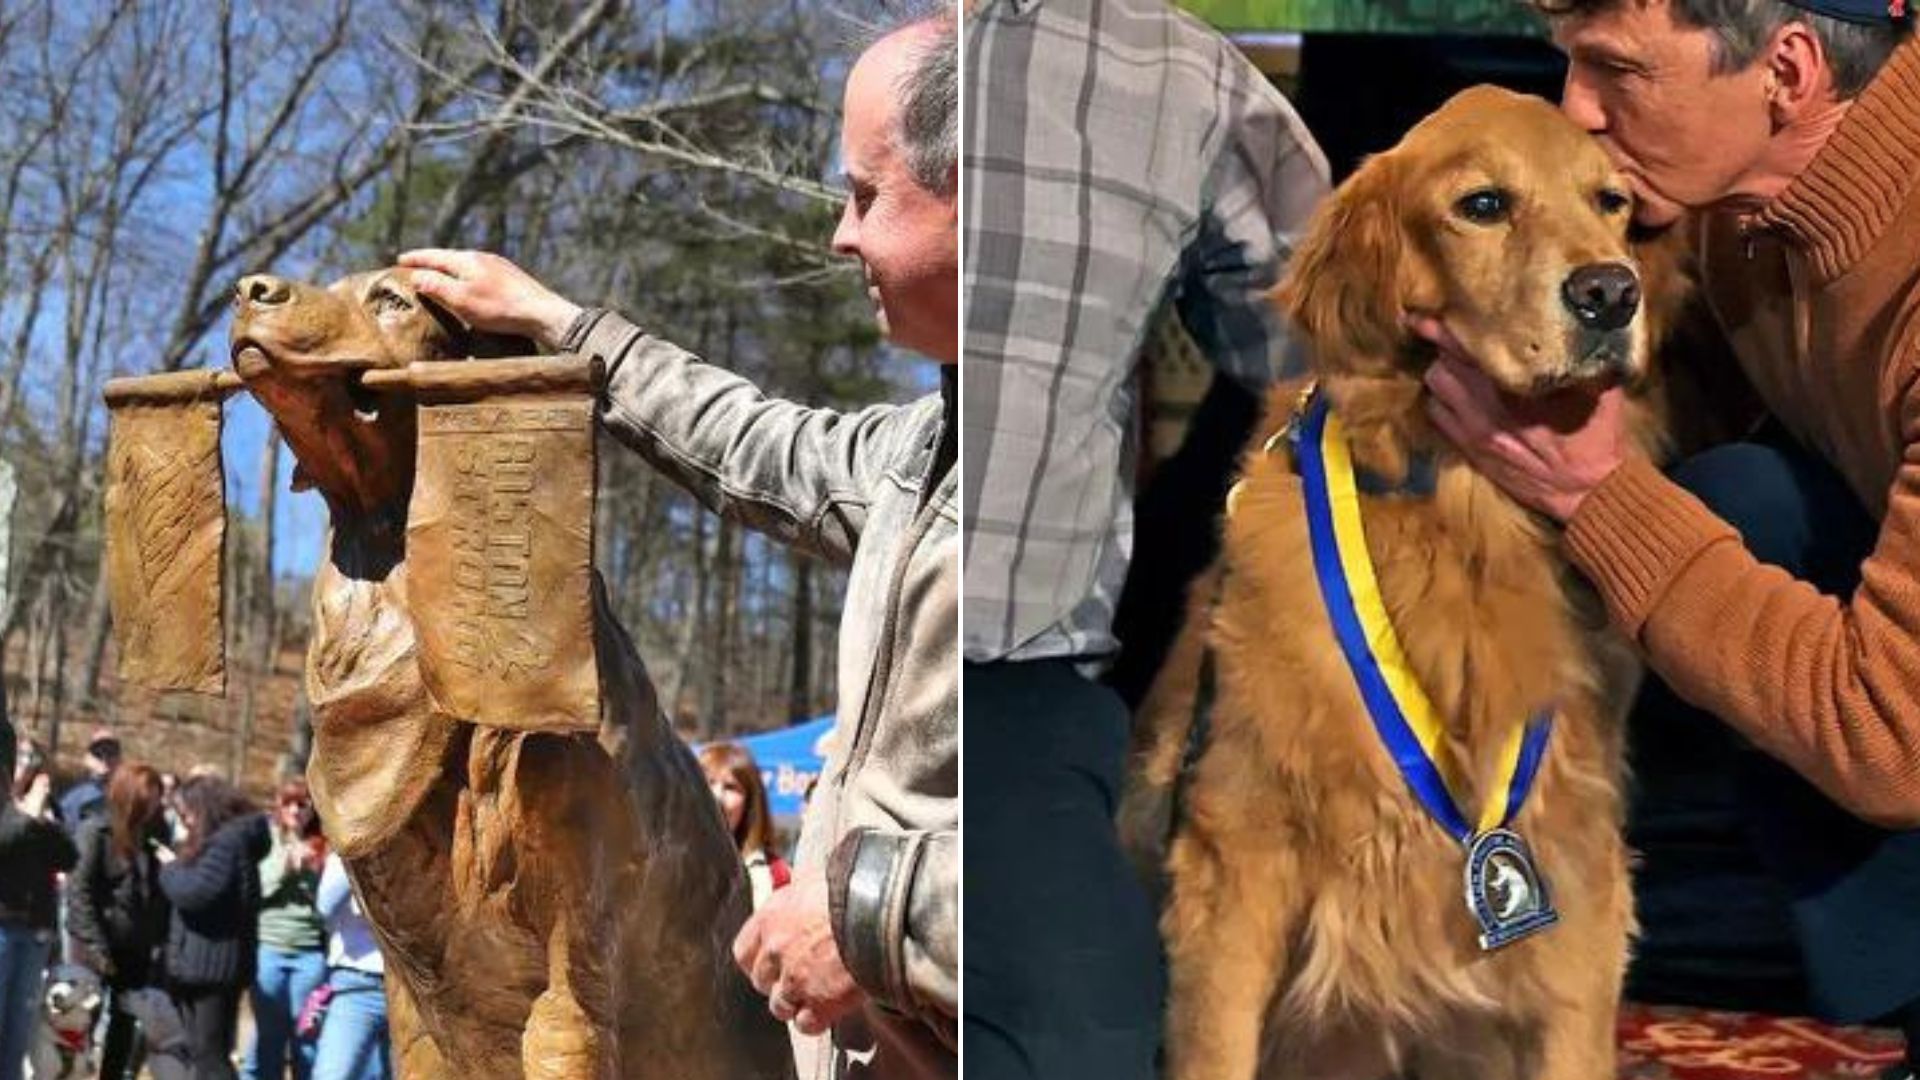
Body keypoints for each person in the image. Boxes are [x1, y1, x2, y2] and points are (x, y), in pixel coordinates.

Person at [394, 9, 957, 1078]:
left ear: (975, 192)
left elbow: (1118, 845)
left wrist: (877, 919)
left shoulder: (1077, 484)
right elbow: (757, 443)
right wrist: (564, 329)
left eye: (866, 195)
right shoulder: (923, 451)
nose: (840, 234)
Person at [1412, 0, 1920, 1073]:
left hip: (1906, 727)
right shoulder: (1740, 211)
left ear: (1788, 71)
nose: (1577, 110)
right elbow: (1712, 408)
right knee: (1752, 499)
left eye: (1615, 71)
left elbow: (1892, 738)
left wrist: (1599, 495)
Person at [961, 0, 1330, 1075]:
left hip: (1031, 689)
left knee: (1091, 1036)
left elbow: (1341, 360)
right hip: (929, 667)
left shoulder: (1178, 71)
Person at [158, 776, 270, 1080]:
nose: (186, 820)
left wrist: (169, 869)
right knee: (201, 1053)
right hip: (206, 963)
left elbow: (196, 893)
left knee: (211, 1058)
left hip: (212, 966)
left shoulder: (226, 843)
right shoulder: (227, 841)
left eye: (188, 812)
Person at [67, 762, 172, 1080]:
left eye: (157, 799)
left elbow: (154, 892)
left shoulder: (155, 833)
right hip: (96, 945)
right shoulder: (95, 830)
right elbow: (80, 892)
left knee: (124, 1024)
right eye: (147, 799)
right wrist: (95, 948)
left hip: (136, 946)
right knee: (82, 1022)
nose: (154, 806)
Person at [0, 720, 77, 1080]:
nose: (28, 763)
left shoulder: (43, 807)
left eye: (35, 757)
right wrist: (25, 816)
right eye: (23, 756)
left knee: (19, 1027)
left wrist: (44, 820)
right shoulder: (10, 807)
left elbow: (68, 856)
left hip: (34, 932)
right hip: (1, 928)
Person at [245, 780, 327, 1080]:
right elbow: (258, 890)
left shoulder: (324, 844)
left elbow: (331, 904)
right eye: (288, 803)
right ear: (278, 807)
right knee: (270, 1035)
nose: (295, 810)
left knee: (306, 1034)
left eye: (302, 804)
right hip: (269, 949)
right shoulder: (266, 840)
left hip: (310, 954)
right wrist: (286, 867)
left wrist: (314, 869)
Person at [310, 854, 388, 1080]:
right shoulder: (343, 853)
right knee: (332, 1075)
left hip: (410, 989)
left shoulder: (420, 847)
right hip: (355, 985)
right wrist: (356, 855)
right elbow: (325, 906)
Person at [699, 743, 791, 910]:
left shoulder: (776, 876)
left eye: (730, 787)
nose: (717, 796)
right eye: (708, 783)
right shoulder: (662, 865)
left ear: (750, 803)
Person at [59, 728, 122, 835]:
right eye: (98, 752)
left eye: (111, 751)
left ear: (120, 758)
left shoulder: (128, 795)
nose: (104, 758)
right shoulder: (73, 797)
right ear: (87, 758)